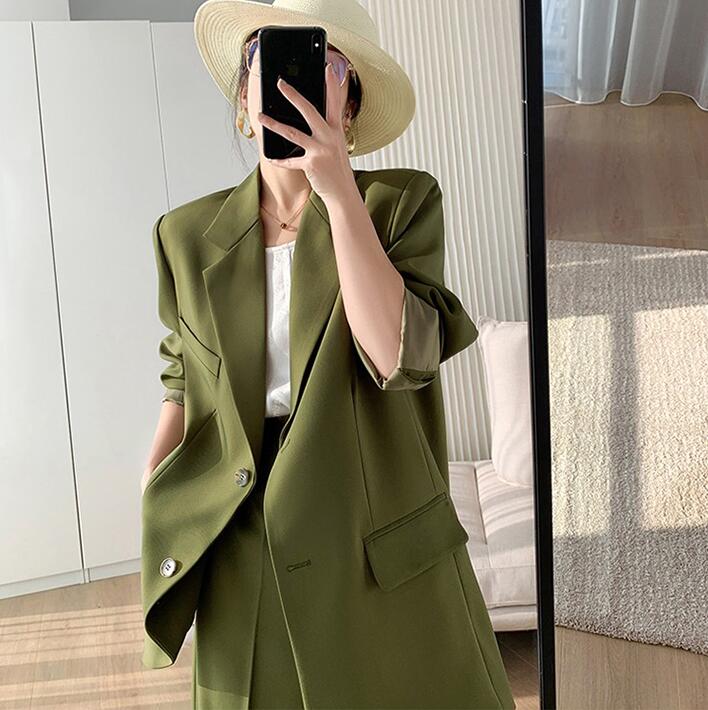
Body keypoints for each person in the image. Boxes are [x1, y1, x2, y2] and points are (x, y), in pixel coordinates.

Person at [140, 1, 517, 708]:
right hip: (240, 532)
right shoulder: (183, 235)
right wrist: (156, 487)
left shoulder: (399, 203)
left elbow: (398, 356)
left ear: (349, 105)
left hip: (374, 536)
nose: (294, 81)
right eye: (270, 58)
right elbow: (183, 378)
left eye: (324, 65)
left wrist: (339, 192)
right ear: (244, 102)